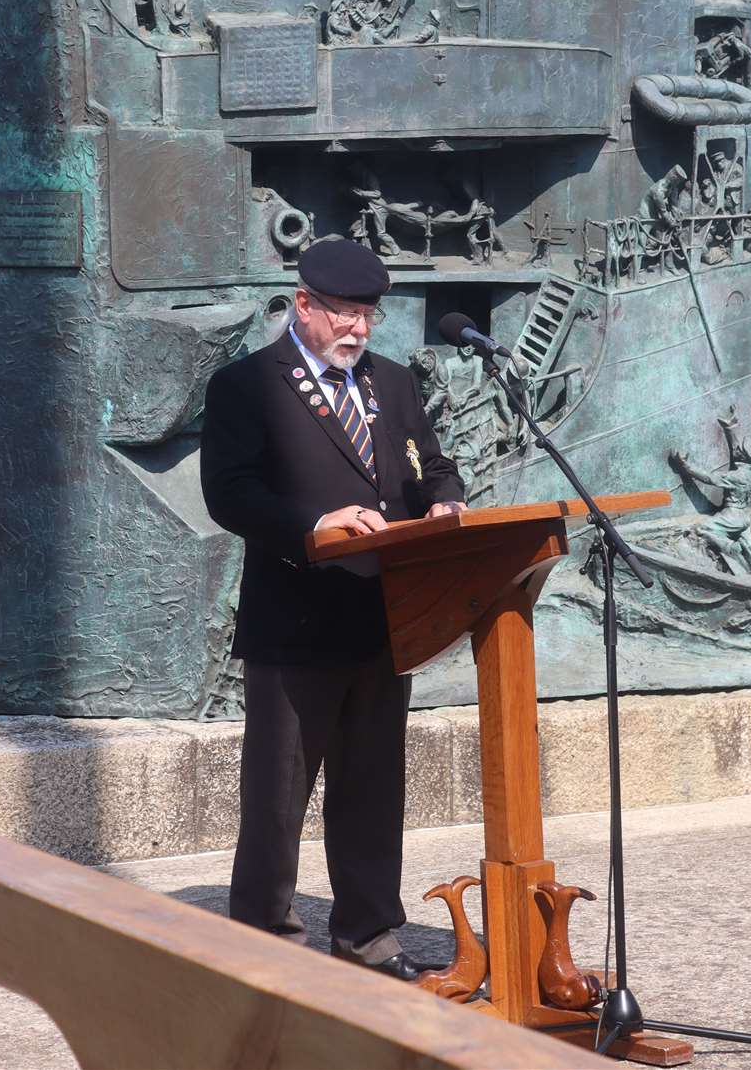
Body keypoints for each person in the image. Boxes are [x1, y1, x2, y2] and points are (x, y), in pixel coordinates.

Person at [200, 239, 465, 980]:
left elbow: (431, 463)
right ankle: (263, 944)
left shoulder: (394, 384)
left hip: (385, 622)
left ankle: (370, 935)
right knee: (278, 799)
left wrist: (446, 499)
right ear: (305, 306)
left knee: (373, 791)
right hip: (297, 625)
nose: (358, 330)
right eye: (345, 314)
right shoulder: (248, 384)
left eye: (369, 316)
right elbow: (231, 492)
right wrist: (311, 528)